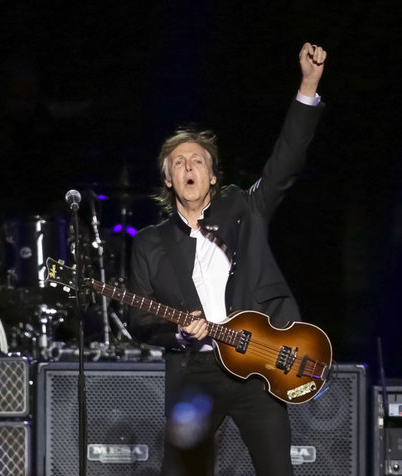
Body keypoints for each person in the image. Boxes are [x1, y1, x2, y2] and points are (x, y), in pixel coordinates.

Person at [128, 42, 326, 476]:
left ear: (212, 175)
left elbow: (285, 163)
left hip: (259, 365)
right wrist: (178, 332)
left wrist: (308, 85)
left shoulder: (243, 209)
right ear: (168, 179)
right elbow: (137, 319)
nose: (188, 166)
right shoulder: (149, 242)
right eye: (178, 162)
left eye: (197, 160)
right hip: (195, 371)